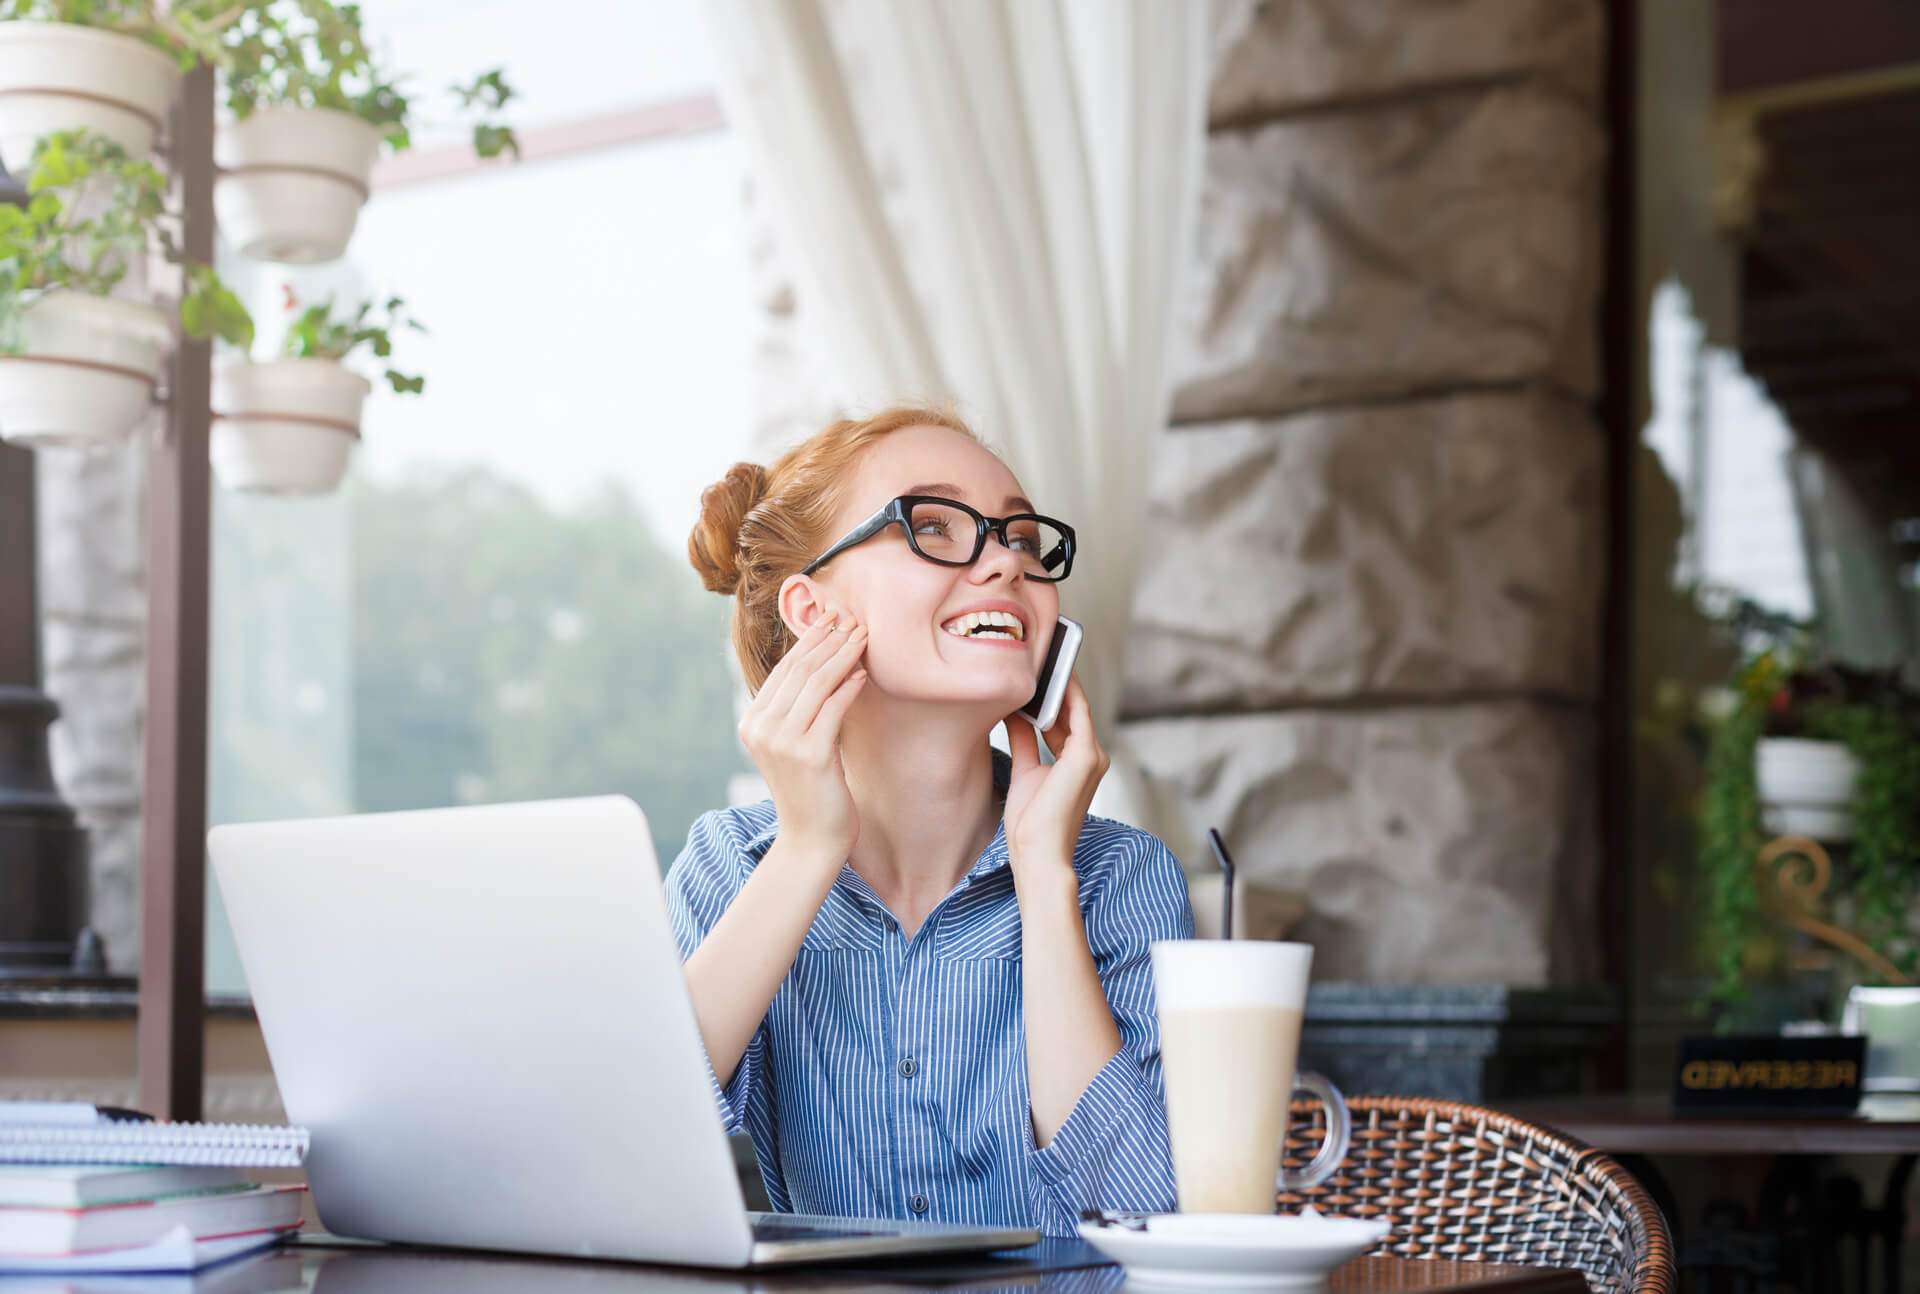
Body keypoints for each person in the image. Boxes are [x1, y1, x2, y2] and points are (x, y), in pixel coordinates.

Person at [671, 405, 1193, 1236]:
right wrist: (807, 849)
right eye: (936, 527)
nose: (1006, 562)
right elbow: (636, 1151)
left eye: (1023, 538)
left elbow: (1148, 1224)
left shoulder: (1119, 876)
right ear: (812, 612)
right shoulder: (730, 865)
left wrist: (1043, 876)